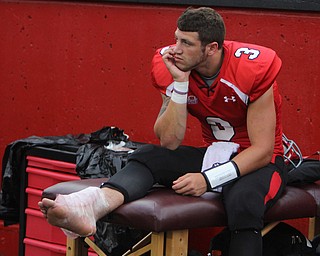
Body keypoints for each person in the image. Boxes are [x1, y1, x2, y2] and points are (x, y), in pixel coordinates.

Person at [39, 7, 287, 256]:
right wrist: (180, 83)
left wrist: (207, 179)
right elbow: (169, 140)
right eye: (176, 38)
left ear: (211, 48)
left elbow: (262, 151)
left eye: (186, 43)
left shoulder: (252, 68)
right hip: (215, 154)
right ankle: (93, 206)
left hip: (258, 162)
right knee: (151, 155)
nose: (175, 48)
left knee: (243, 201)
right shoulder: (171, 65)